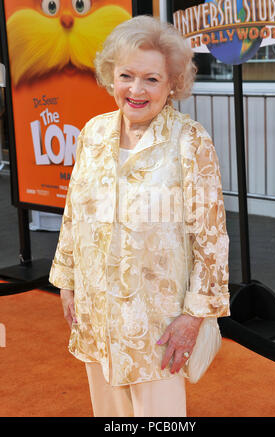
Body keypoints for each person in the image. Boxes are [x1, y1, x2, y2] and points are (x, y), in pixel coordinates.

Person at [49, 15, 230, 418]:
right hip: (97, 309)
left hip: (157, 319)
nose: (136, 89)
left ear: (173, 84)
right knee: (110, 415)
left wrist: (193, 316)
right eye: (127, 75)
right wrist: (67, 281)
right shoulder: (93, 133)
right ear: (111, 76)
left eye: (151, 79)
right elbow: (74, 213)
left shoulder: (190, 140)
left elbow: (211, 237)